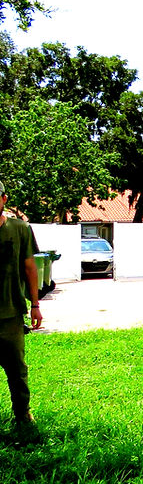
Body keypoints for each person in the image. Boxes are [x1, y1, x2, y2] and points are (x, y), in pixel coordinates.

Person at [0, 180, 41, 428]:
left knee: (17, 370)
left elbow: (29, 268)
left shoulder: (20, 229)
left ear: (4, 199)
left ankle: (23, 413)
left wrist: (35, 304)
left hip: (11, 314)